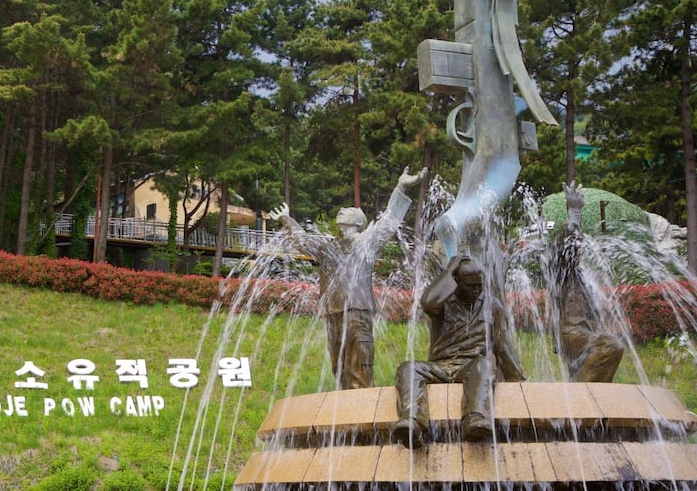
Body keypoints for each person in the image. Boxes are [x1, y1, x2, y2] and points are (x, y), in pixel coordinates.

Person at [267, 166, 427, 390]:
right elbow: (302, 240)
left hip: (357, 313)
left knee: (360, 369)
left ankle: (364, 417)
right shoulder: (327, 247)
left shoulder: (365, 243)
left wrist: (400, 187)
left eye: (349, 210)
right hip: (333, 314)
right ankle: (344, 418)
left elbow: (388, 221)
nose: (341, 209)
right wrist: (286, 219)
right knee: (339, 369)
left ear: (359, 223)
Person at [392, 255, 525, 449]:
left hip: (471, 366)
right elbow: (428, 303)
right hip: (439, 366)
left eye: (479, 285)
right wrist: (449, 270)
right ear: (457, 282)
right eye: (470, 286)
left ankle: (474, 419)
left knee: (485, 365)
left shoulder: (493, 305)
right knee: (407, 368)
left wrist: (519, 382)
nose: (476, 290)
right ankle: (412, 423)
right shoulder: (443, 302)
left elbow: (503, 344)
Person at [550, 182, 624, 382]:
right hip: (571, 332)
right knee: (612, 346)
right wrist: (574, 214)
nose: (577, 250)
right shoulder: (562, 273)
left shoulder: (583, 275)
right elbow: (565, 244)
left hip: (587, 330)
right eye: (573, 249)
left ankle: (587, 400)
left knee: (600, 361)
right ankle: (580, 394)